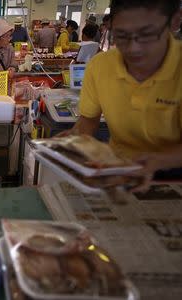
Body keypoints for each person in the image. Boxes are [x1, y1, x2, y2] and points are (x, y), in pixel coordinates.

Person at [61, 0, 182, 191]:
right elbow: (88, 121)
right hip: (118, 172)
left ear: (175, 22)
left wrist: (160, 160)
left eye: (147, 34)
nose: (133, 48)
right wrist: (72, 142)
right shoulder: (100, 66)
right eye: (122, 35)